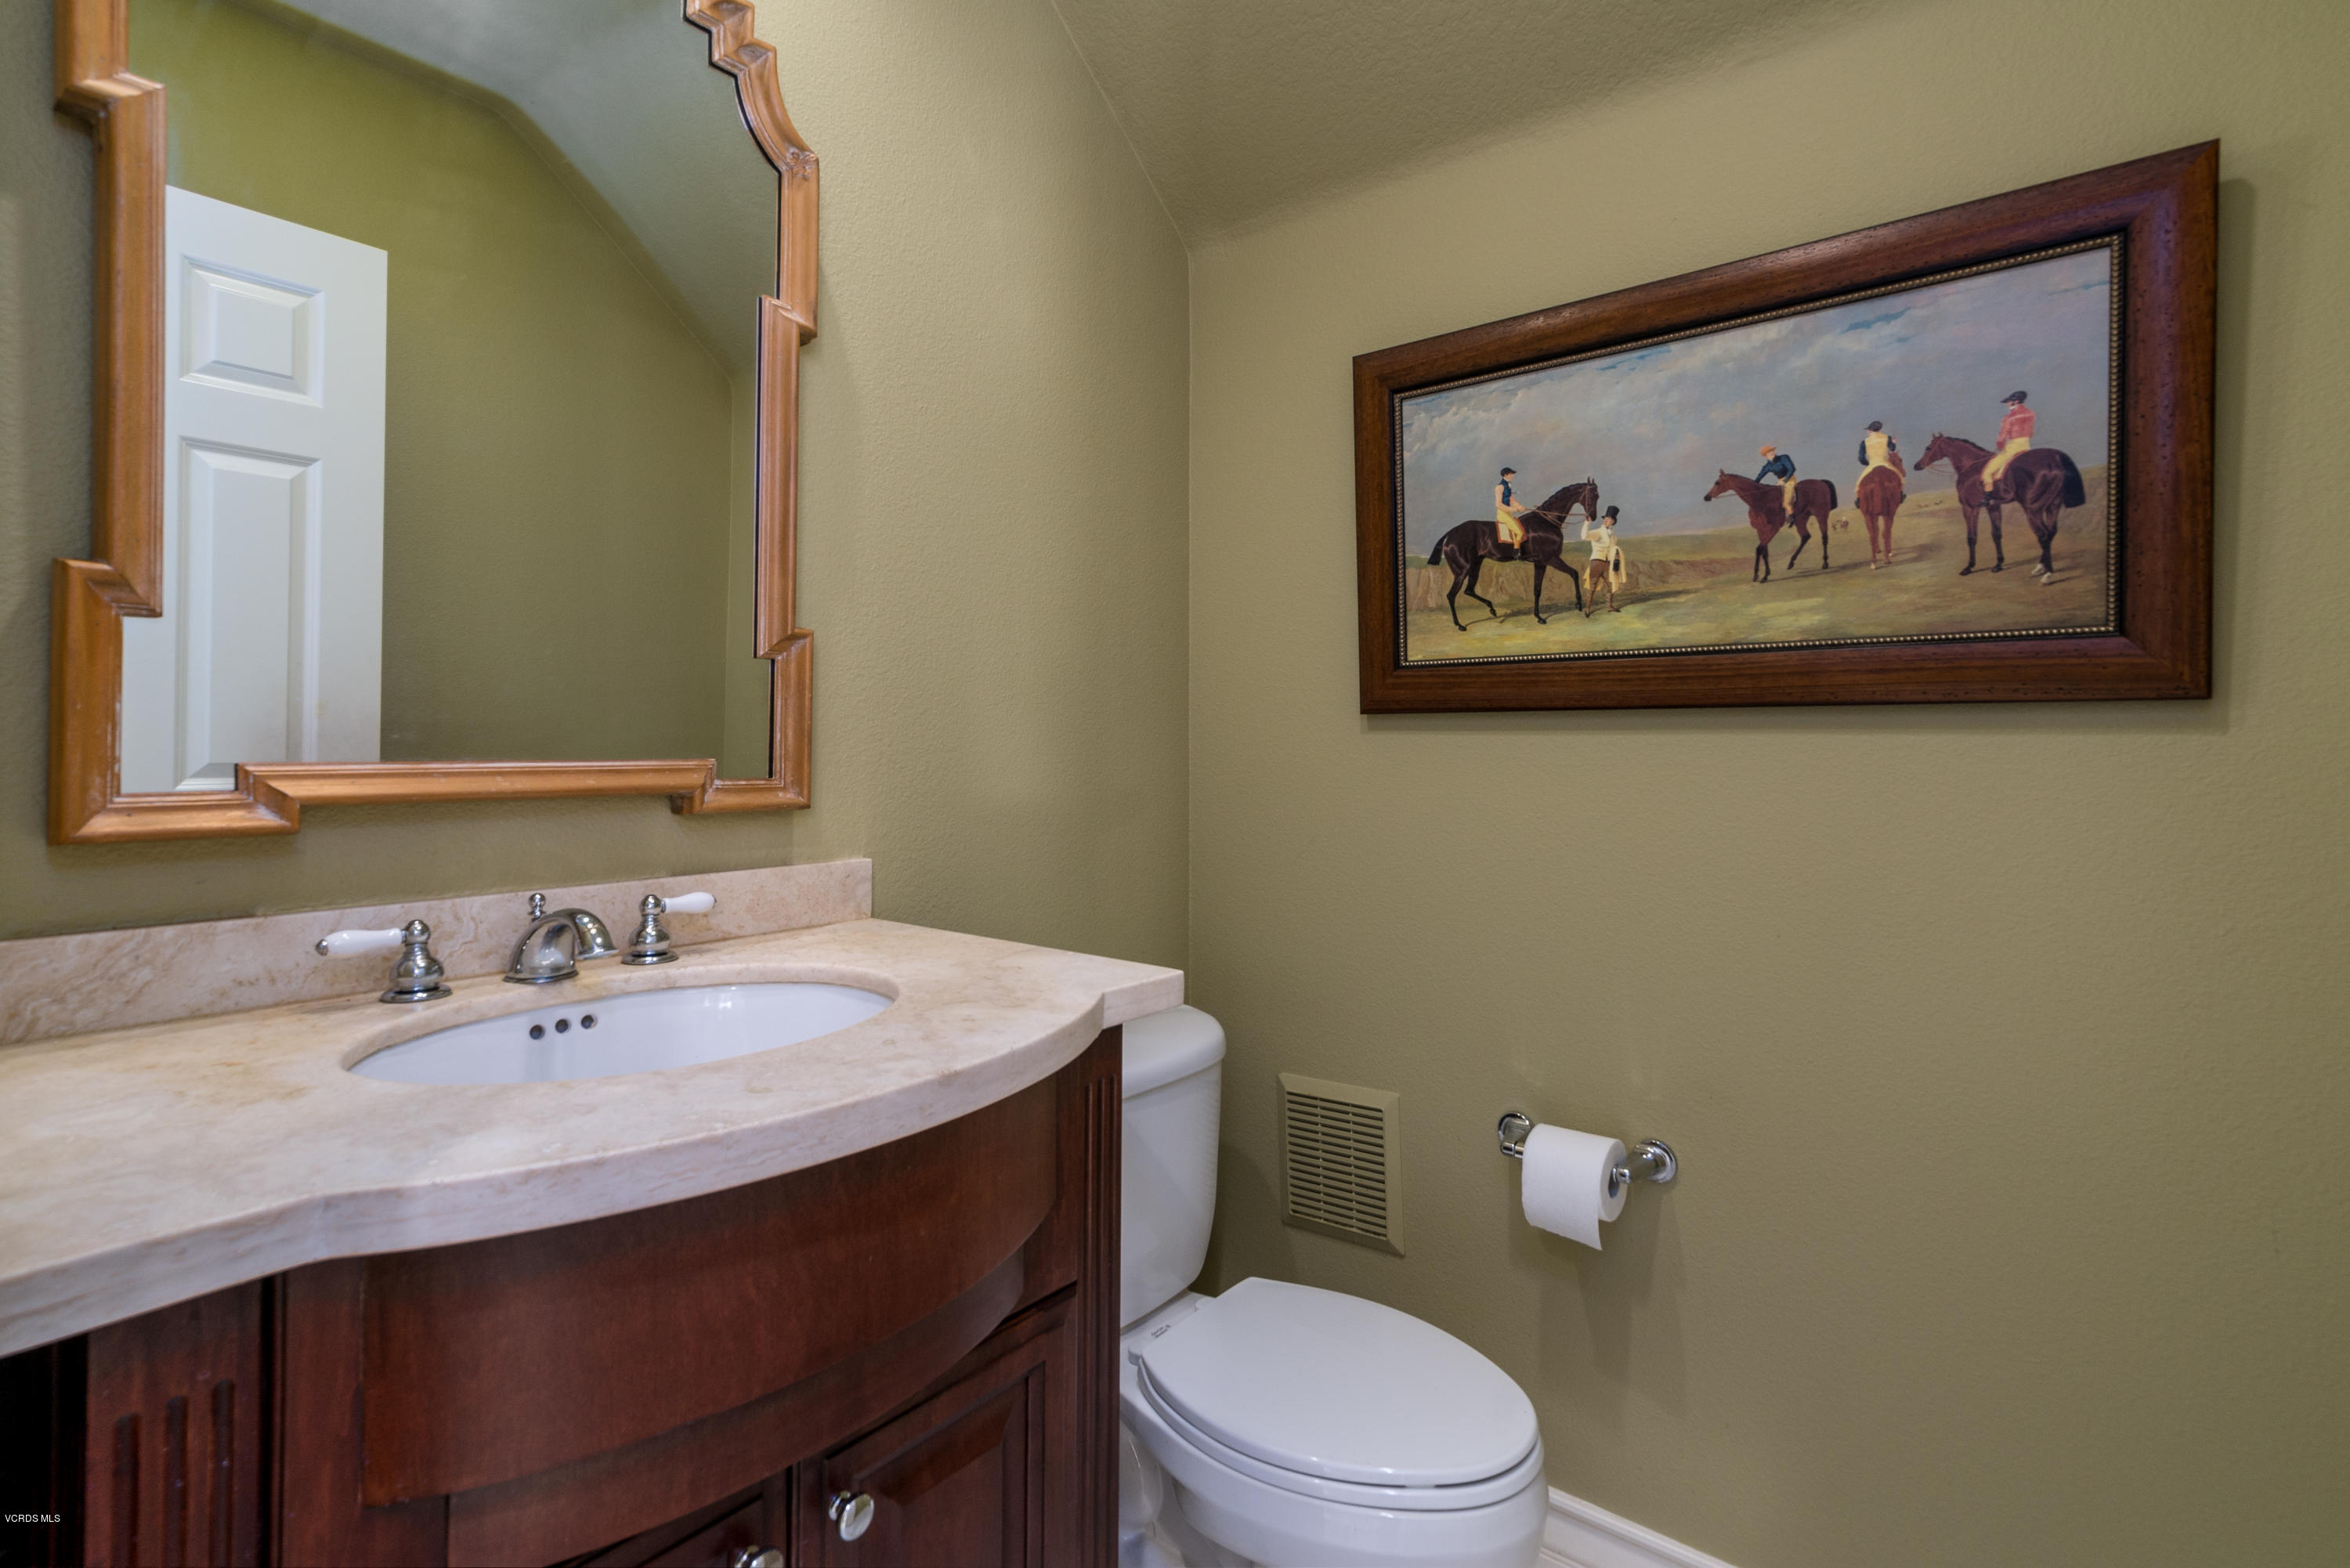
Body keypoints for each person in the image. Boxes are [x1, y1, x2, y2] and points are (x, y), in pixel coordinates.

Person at [1982, 390, 2034, 492]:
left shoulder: (2009, 417)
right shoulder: (2031, 413)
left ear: (2016, 401)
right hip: (2026, 446)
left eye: (2009, 402)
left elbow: (2003, 435)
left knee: (1987, 472)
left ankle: (1988, 497)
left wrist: (2000, 445)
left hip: (2013, 447)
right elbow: (2031, 433)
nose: (2007, 404)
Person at [1581, 504, 1625, 614]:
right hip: (1596, 563)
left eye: (1608, 519)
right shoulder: (1598, 532)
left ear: (1613, 522)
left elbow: (1612, 548)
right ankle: (1588, 609)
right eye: (1605, 519)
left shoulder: (1613, 535)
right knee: (1592, 587)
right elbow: (1584, 537)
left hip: (1608, 564)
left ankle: (1610, 606)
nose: (1606, 521)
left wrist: (1616, 554)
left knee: (1611, 585)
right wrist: (1587, 523)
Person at [1755, 445, 1798, 513]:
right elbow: (1760, 476)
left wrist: (1785, 481)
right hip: (1780, 482)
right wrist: (1753, 485)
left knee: (1786, 504)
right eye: (1769, 452)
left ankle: (1792, 517)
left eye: (1772, 451)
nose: (1772, 452)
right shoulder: (1767, 466)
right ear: (1766, 455)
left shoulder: (1784, 457)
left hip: (1790, 479)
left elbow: (1792, 469)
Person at [1493, 466, 1528, 548]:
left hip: (1508, 514)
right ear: (1505, 475)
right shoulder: (1499, 487)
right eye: (1511, 474)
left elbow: (1512, 500)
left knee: (1521, 528)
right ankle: (1516, 552)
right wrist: (1513, 509)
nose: (1512, 476)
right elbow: (1498, 505)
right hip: (1502, 514)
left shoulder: (1508, 485)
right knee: (1519, 533)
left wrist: (1520, 507)